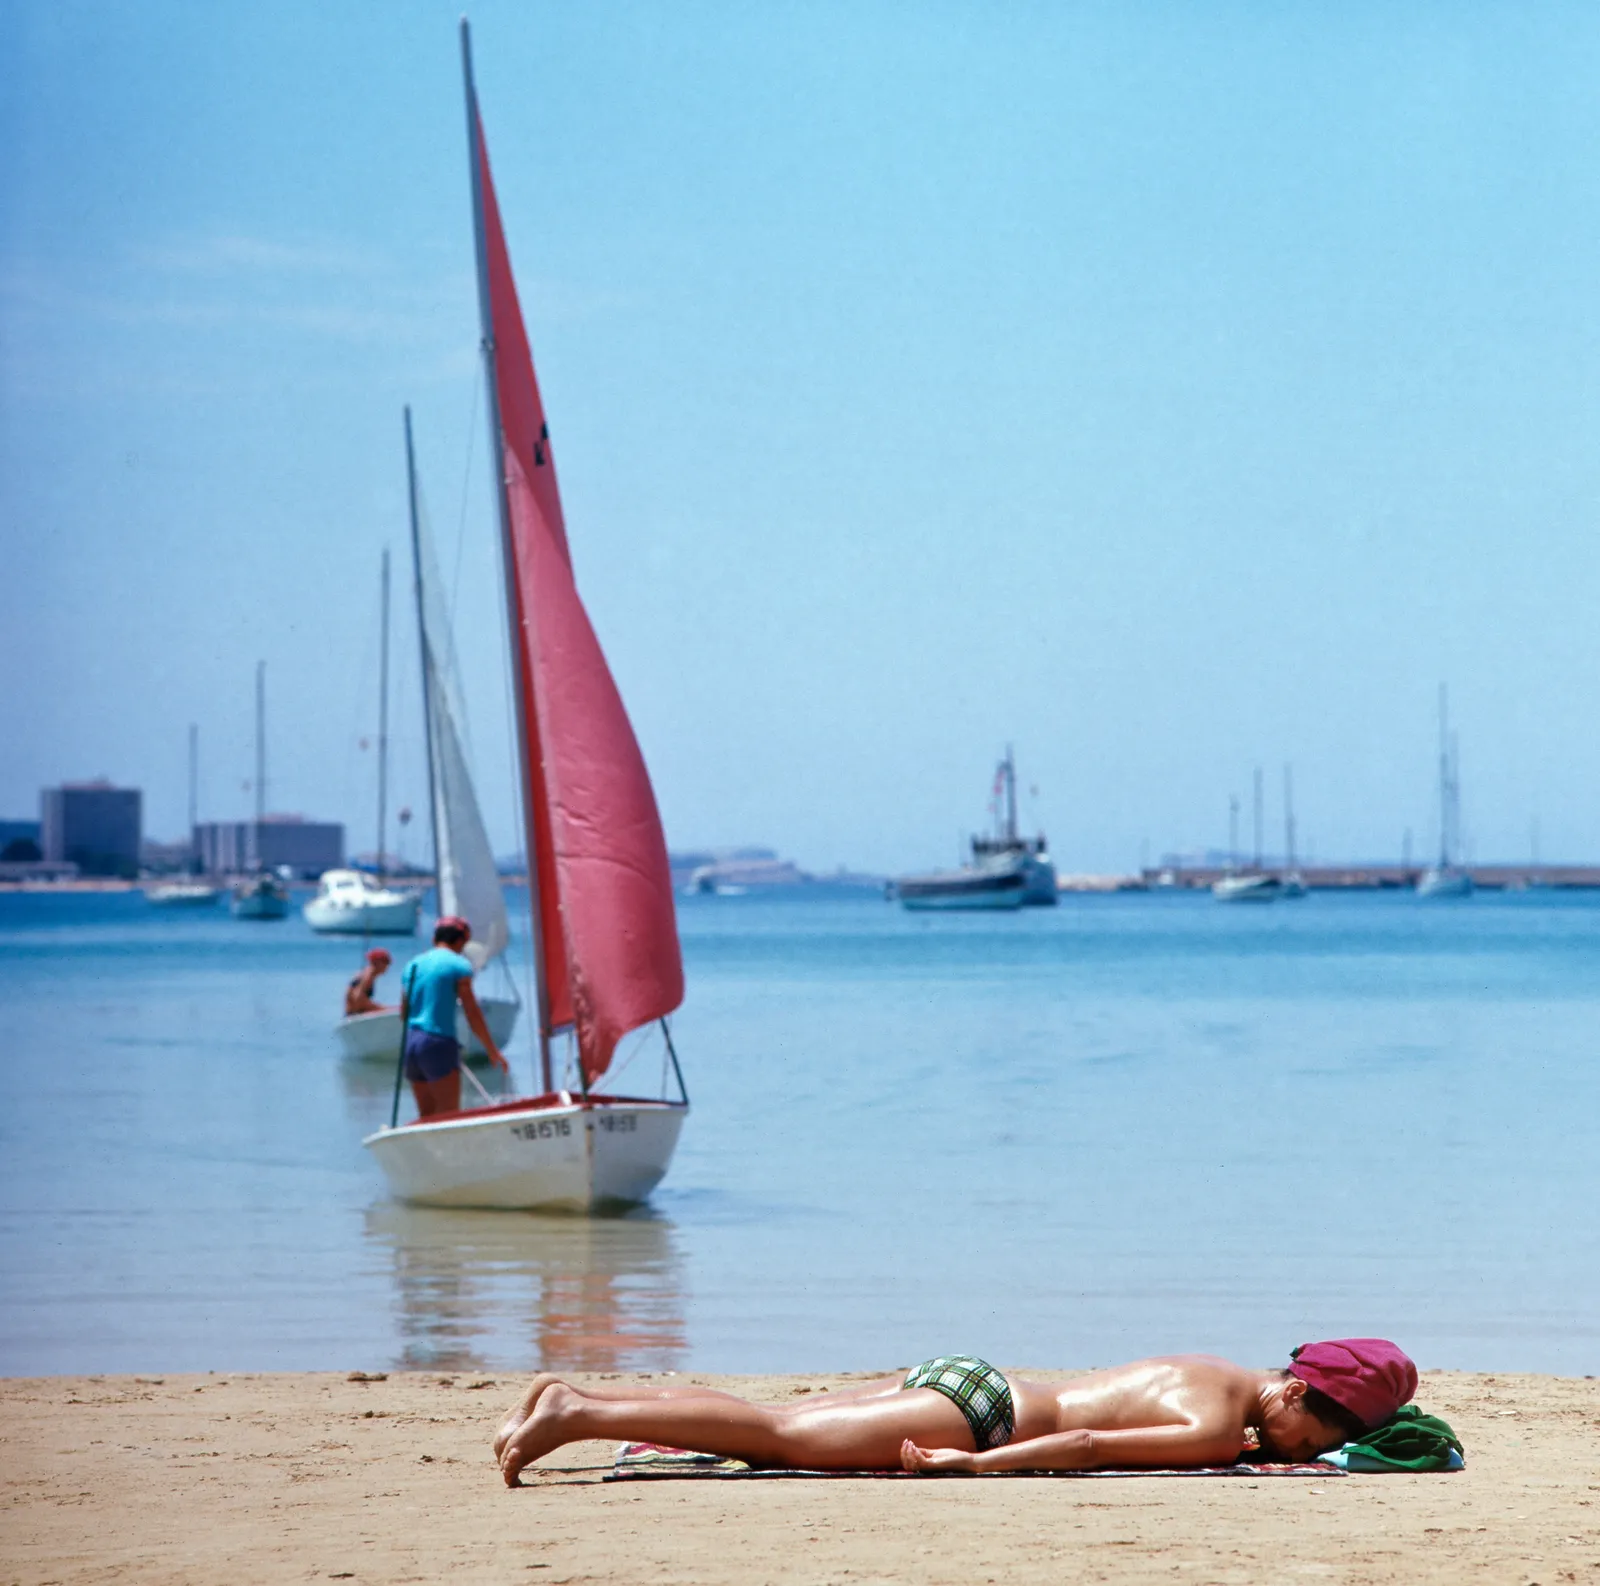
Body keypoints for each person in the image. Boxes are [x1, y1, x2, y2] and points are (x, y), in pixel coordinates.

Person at [492, 1338, 1416, 1487]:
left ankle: (583, 1402)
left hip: (976, 1377)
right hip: (984, 1423)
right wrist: (972, 1469)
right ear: (1297, 1392)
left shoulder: (1216, 1368)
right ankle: (572, 1414)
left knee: (771, 1418)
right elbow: (1086, 1446)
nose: (1310, 1446)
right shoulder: (1221, 1431)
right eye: (1324, 1430)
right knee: (775, 1436)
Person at [400, 916, 508, 1118]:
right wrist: (492, 1050)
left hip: (412, 1043)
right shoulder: (459, 965)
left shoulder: (412, 966)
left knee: (427, 1116)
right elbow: (472, 1013)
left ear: (434, 939)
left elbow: (403, 1013)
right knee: (449, 1115)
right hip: (438, 1042)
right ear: (461, 941)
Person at [344, 948, 393, 1016]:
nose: (388, 966)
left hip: (353, 1015)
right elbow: (358, 999)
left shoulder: (366, 973)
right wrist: (383, 1009)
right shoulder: (368, 976)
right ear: (377, 962)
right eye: (386, 962)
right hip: (354, 1017)